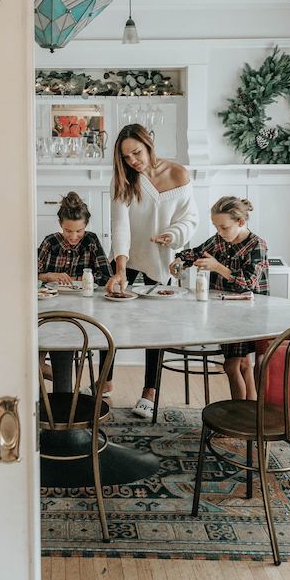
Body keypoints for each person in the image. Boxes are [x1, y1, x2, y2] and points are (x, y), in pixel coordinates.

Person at [104, 124, 199, 418]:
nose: (133, 160)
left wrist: (172, 234)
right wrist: (120, 267)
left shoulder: (179, 173)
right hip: (126, 258)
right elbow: (120, 225)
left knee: (156, 327)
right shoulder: (124, 179)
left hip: (161, 259)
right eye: (126, 157)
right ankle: (105, 382)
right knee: (109, 321)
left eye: (137, 152)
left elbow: (190, 217)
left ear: (149, 144)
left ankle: (149, 390)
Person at [170, 196, 269, 400]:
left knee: (232, 365)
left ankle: (237, 418)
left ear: (240, 222)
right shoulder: (219, 241)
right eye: (216, 227)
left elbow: (247, 282)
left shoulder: (256, 245)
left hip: (250, 315)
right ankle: (249, 416)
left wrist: (217, 267)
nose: (219, 232)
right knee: (242, 365)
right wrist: (179, 260)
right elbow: (195, 253)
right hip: (224, 313)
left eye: (224, 227)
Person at [38, 191, 112, 391]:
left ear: (86, 225)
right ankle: (46, 388)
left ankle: (59, 391)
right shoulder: (49, 242)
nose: (73, 237)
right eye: (67, 230)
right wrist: (49, 276)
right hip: (49, 305)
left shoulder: (91, 241)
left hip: (82, 309)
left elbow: (106, 276)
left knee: (63, 333)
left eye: (79, 231)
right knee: (38, 335)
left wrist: (82, 280)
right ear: (60, 225)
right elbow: (30, 274)